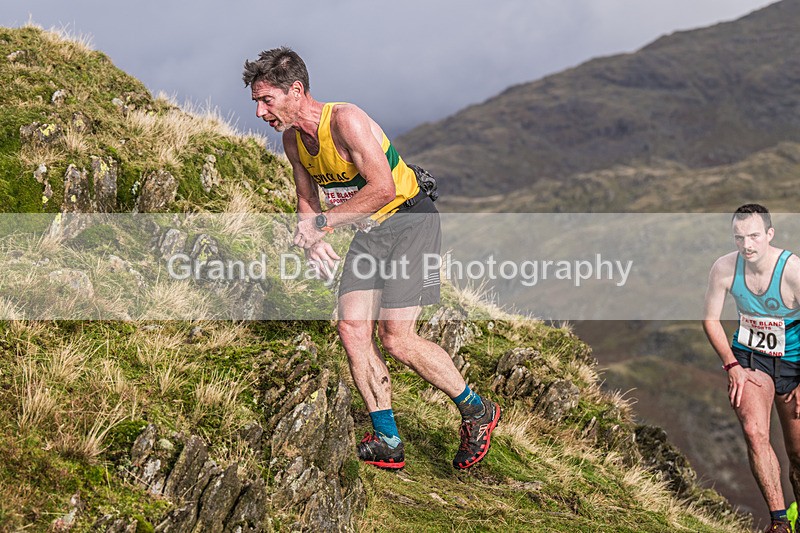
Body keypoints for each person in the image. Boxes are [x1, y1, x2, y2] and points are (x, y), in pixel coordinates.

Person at [243, 47, 500, 470]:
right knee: (351, 328)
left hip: (409, 222)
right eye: (255, 101)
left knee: (397, 339)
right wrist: (310, 236)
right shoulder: (293, 140)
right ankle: (388, 439)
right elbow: (306, 197)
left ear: (296, 91)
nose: (259, 112)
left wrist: (322, 226)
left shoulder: (345, 121)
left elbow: (382, 188)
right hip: (369, 232)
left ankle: (477, 410)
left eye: (265, 100)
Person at [703, 204, 800, 533]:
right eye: (739, 237)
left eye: (754, 236)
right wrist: (731, 365)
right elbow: (710, 320)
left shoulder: (792, 271)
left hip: (794, 363)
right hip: (749, 358)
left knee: (797, 453)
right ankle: (779, 522)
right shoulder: (724, 268)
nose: (747, 245)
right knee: (754, 433)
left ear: (769, 235)